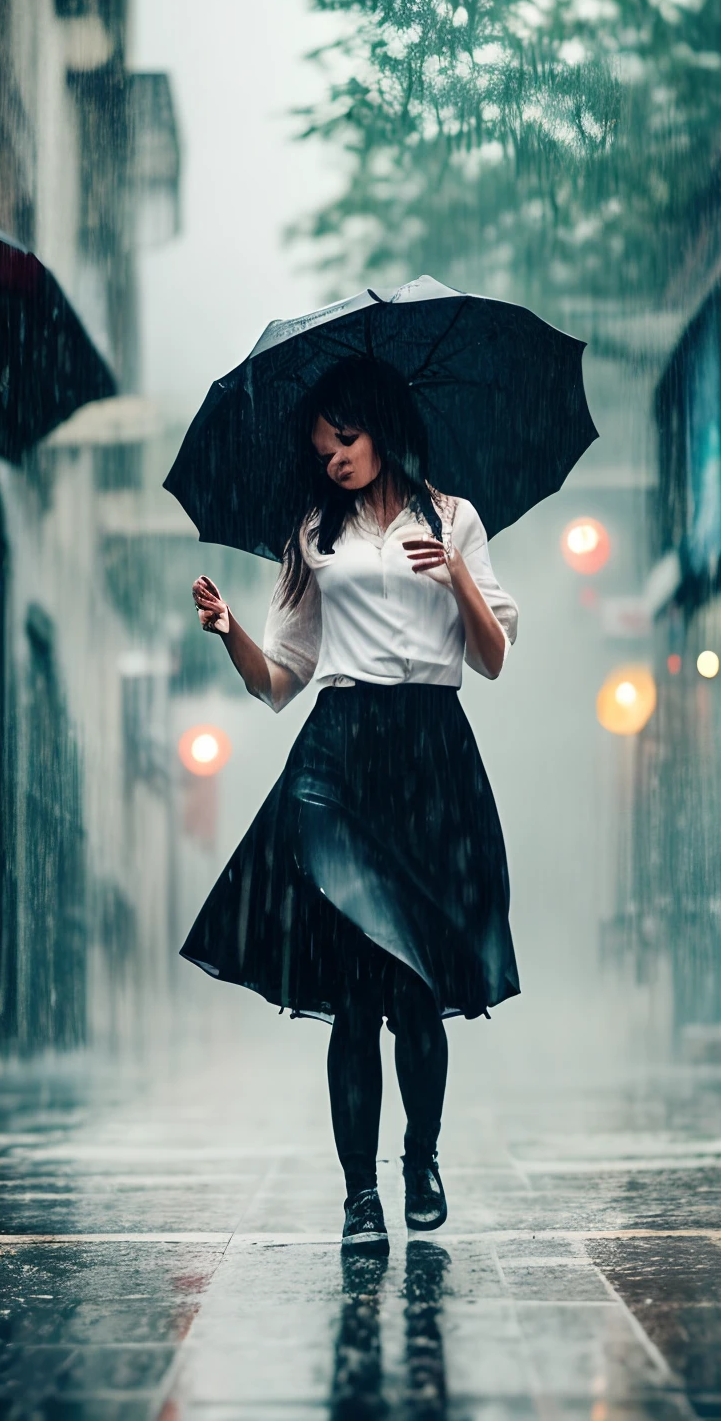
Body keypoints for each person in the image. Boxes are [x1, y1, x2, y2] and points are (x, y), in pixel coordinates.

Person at [184, 354, 519, 1255]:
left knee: (415, 985)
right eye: (320, 445)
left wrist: (452, 574)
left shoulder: (455, 520)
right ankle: (358, 1195)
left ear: (378, 425)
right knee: (357, 992)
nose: (331, 456)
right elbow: (280, 681)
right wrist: (231, 635)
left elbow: (491, 658)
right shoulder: (311, 537)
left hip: (430, 755)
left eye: (344, 437)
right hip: (338, 754)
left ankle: (422, 1161)